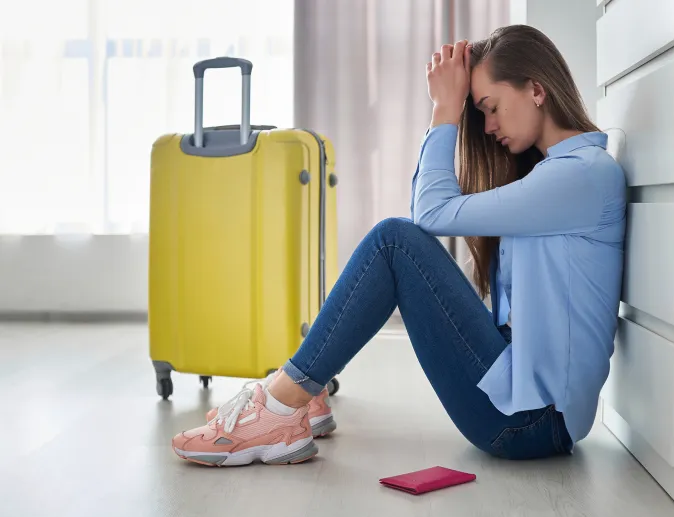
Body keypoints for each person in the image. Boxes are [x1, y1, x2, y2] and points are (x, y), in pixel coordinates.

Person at [171, 25, 626, 466]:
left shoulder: (581, 175)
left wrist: (445, 110)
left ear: (537, 91)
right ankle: (294, 393)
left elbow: (430, 213)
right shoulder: (559, 175)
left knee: (395, 242)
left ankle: (280, 403)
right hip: (529, 403)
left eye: (491, 107)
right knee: (396, 242)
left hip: (531, 421)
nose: (487, 127)